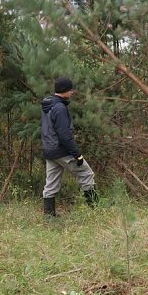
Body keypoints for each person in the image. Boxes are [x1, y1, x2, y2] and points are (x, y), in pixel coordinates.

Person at [40, 76, 98, 216]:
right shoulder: (60, 108)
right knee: (86, 174)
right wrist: (77, 154)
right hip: (61, 151)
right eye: (71, 89)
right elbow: (64, 135)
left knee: (51, 184)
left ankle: (49, 217)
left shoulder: (48, 105)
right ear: (65, 90)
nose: (72, 92)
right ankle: (96, 209)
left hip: (49, 150)